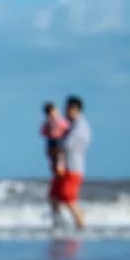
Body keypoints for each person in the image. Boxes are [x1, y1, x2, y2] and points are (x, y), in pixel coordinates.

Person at [48, 96, 90, 231]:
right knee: (53, 196)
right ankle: (58, 225)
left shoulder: (80, 127)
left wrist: (56, 150)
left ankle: (81, 226)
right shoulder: (69, 125)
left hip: (72, 168)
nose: (65, 111)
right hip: (62, 167)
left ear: (74, 109)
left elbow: (66, 145)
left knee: (69, 198)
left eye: (67, 108)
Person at [41, 101, 70, 175]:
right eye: (49, 113)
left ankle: (60, 167)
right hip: (51, 140)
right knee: (51, 154)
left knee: (59, 154)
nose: (52, 114)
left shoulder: (60, 120)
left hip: (59, 139)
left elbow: (67, 128)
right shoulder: (47, 122)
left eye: (53, 112)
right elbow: (43, 132)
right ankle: (54, 167)